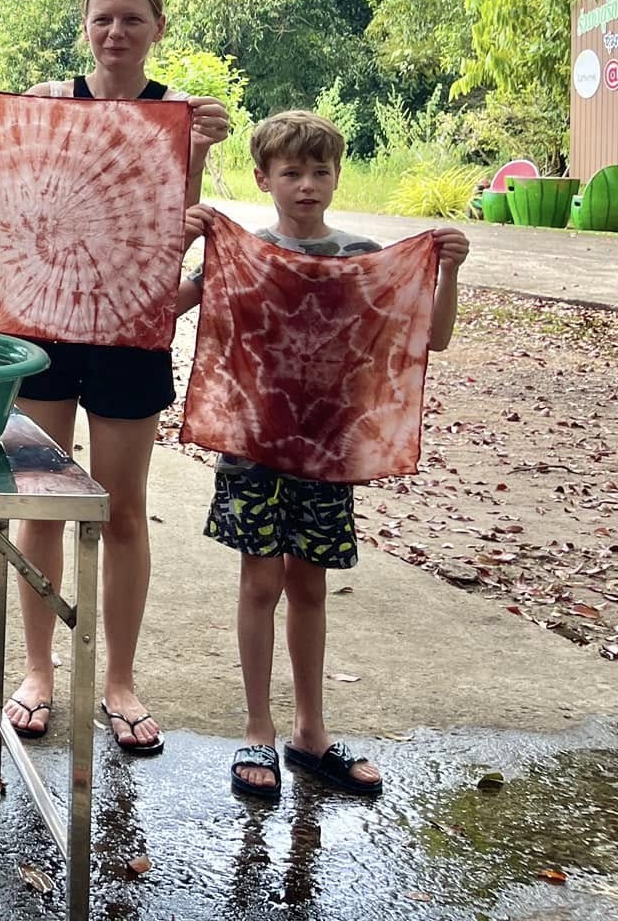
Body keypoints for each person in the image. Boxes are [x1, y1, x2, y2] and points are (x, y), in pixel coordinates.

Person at [0, 0, 230, 755]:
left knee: (120, 509)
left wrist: (198, 154)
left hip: (130, 333)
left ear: (157, 26)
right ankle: (39, 669)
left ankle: (119, 679)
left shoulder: (178, 118)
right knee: (43, 501)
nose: (116, 32)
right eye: (103, 19)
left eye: (131, 20)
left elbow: (170, 230)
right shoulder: (49, 100)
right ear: (85, 26)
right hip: (42, 324)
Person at [175, 110, 467, 801]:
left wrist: (447, 271)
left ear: (338, 175)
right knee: (259, 584)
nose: (307, 184)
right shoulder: (242, 250)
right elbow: (167, 309)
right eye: (291, 172)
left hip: (328, 446)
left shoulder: (362, 258)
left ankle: (311, 733)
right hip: (254, 445)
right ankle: (257, 730)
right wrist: (181, 241)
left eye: (320, 170)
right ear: (263, 178)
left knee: (309, 587)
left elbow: (438, 338)